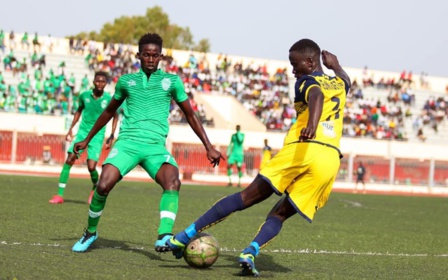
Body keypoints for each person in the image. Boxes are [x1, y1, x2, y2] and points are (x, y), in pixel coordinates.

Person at [167, 39, 351, 276]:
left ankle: (184, 236)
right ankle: (250, 252)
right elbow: (347, 80)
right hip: (329, 160)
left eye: (295, 65)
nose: (293, 71)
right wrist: (336, 66)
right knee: (279, 214)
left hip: (303, 149)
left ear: (310, 62)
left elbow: (316, 95)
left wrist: (312, 124)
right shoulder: (338, 82)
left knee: (245, 197)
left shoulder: (307, 81)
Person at [71, 33, 223, 253]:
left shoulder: (171, 82)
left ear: (160, 56)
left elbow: (190, 115)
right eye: (146, 55)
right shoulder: (126, 82)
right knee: (102, 186)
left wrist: (208, 146)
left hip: (155, 147)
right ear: (138, 55)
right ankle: (90, 233)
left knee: (173, 182)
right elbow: (108, 112)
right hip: (127, 144)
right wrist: (87, 138)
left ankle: (164, 236)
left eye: (154, 55)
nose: (150, 59)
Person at [49, 71, 119, 204]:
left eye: (103, 81)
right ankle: (59, 195)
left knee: (91, 167)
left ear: (106, 83)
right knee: (70, 159)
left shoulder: (109, 98)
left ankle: (95, 186)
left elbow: (115, 116)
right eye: (98, 81)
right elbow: (79, 111)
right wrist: (71, 129)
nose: (100, 84)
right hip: (82, 133)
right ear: (93, 82)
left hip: (97, 135)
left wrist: (111, 135)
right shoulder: (84, 96)